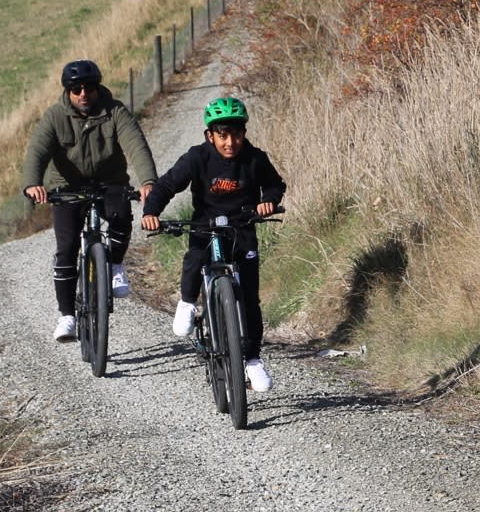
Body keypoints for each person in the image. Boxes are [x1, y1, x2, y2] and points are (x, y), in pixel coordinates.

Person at [141, 97, 286, 392]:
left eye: (236, 134)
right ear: (210, 135)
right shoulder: (197, 157)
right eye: (223, 135)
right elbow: (167, 184)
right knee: (195, 260)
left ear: (244, 133)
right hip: (205, 226)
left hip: (242, 228)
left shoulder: (255, 158)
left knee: (249, 299)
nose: (230, 142)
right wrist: (150, 213)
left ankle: (253, 360)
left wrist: (268, 201)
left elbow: (275, 184)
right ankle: (186, 303)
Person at [22, 59, 157, 342]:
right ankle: (67, 316)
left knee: (120, 217)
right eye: (76, 89)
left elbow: (136, 145)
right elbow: (37, 151)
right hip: (67, 187)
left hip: (110, 181)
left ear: (98, 88)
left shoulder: (115, 111)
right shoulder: (55, 116)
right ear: (68, 91)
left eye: (89, 88)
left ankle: (116, 265)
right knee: (67, 248)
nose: (83, 94)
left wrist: (148, 182)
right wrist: (33, 183)